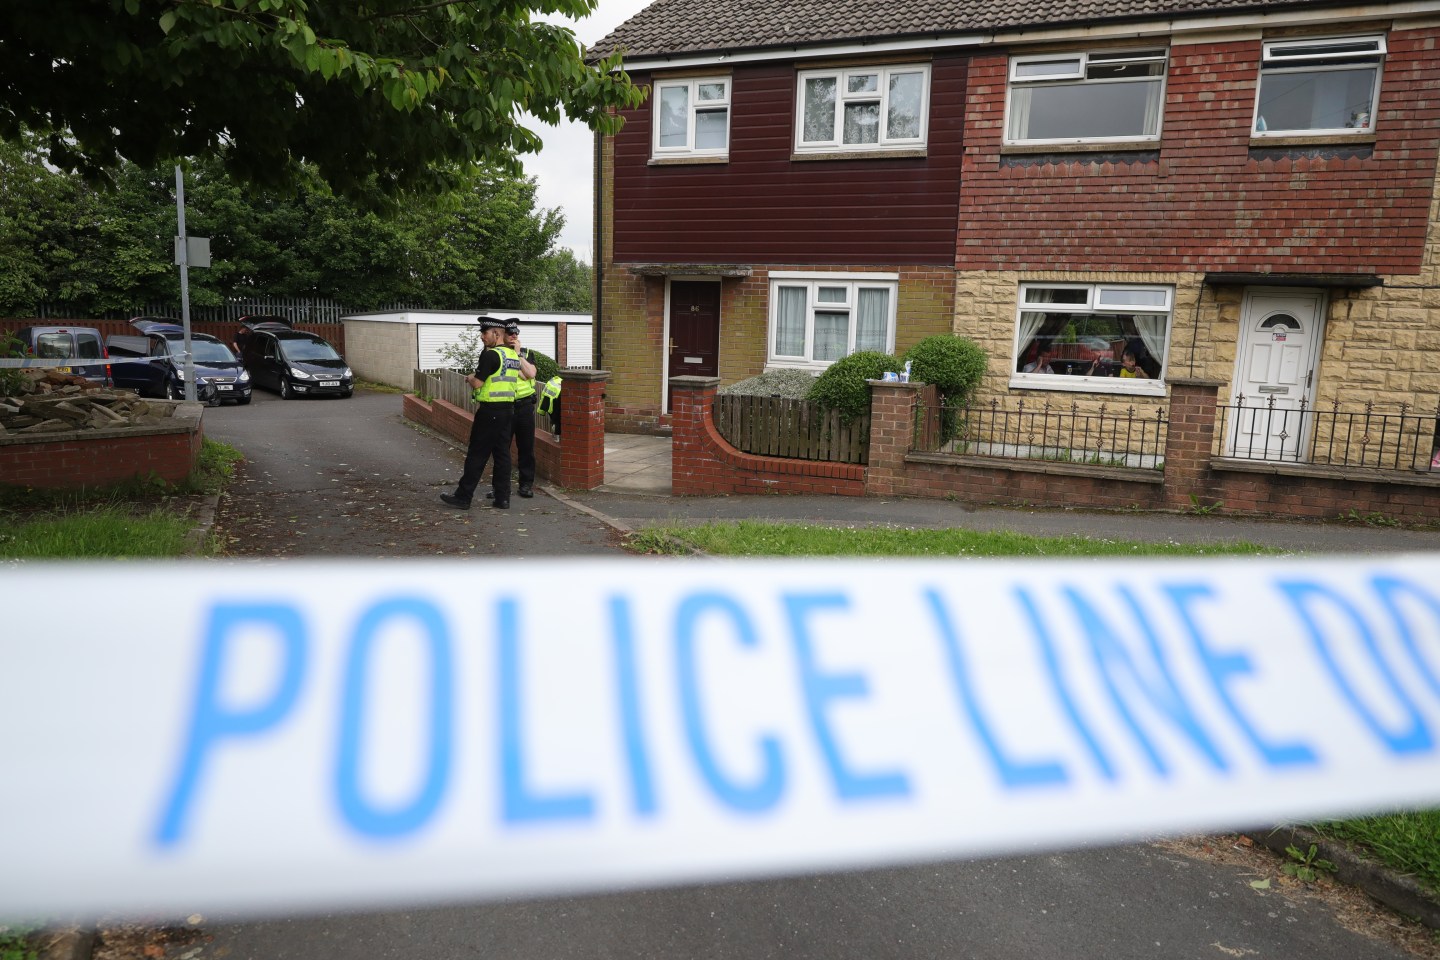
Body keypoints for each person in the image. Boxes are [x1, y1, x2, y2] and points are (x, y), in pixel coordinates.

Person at [440, 317, 533, 510]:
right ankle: (502, 498)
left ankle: (463, 496)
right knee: (502, 454)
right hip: (508, 410)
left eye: (485, 333)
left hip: (490, 411)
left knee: (477, 454)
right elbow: (525, 375)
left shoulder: (491, 355)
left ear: (496, 333)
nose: (482, 337)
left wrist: (469, 378)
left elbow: (478, 383)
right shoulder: (512, 356)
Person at [488, 320, 539, 499]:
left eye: (516, 333)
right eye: (510, 333)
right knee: (501, 449)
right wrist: (519, 369)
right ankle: (500, 488)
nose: (514, 336)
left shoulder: (526, 353)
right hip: (505, 406)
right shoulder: (497, 353)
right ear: (503, 335)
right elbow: (520, 374)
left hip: (525, 406)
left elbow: (530, 374)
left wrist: (518, 355)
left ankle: (526, 485)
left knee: (526, 448)